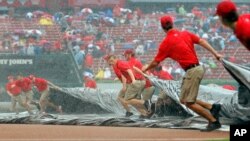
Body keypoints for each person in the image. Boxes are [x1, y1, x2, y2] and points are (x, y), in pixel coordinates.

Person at [142, 15, 223, 131]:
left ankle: (213, 121)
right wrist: (215, 54)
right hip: (195, 69)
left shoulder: (166, 43)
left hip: (192, 71)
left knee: (189, 102)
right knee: (183, 100)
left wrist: (145, 69)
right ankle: (212, 107)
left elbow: (155, 62)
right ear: (172, 24)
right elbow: (202, 41)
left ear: (162, 27)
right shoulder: (185, 33)